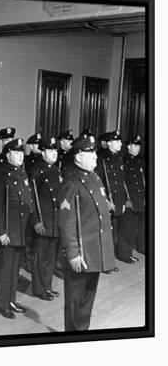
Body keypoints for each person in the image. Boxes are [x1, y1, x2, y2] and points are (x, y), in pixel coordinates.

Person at [58, 134, 116, 331]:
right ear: (78, 157)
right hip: (81, 253)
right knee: (75, 302)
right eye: (89, 153)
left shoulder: (94, 178)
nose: (95, 157)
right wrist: (72, 253)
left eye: (94, 153)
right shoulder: (71, 182)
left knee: (87, 301)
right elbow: (66, 223)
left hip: (94, 251)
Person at [0, 138, 40, 319]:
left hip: (21, 229)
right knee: (5, 269)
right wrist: (1, 231)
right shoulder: (1, 176)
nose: (21, 156)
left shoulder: (22, 173)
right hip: (9, 230)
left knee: (15, 269)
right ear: (8, 155)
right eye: (16, 153)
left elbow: (28, 200)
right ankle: (3, 304)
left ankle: (11, 300)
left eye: (22, 153)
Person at [29, 137, 63, 301]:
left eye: (55, 150)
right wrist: (36, 221)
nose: (54, 154)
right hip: (43, 221)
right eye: (50, 150)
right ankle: (39, 288)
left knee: (51, 257)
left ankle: (47, 286)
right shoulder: (37, 171)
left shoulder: (57, 171)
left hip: (55, 221)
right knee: (40, 258)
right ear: (42, 152)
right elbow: (32, 199)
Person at [96, 130, 135, 263]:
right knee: (106, 232)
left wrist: (126, 198)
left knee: (125, 229)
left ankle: (124, 254)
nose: (120, 144)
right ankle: (104, 261)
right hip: (109, 199)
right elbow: (99, 182)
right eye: (116, 141)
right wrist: (105, 201)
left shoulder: (120, 158)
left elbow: (122, 180)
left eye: (120, 141)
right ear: (109, 143)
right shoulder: (101, 159)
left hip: (120, 199)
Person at [122, 135, 146, 256]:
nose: (137, 148)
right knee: (128, 229)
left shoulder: (140, 161)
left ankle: (142, 247)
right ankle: (125, 254)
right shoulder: (123, 160)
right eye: (135, 146)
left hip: (141, 197)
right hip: (130, 198)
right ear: (129, 146)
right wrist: (126, 199)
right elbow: (122, 182)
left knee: (142, 226)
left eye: (138, 146)